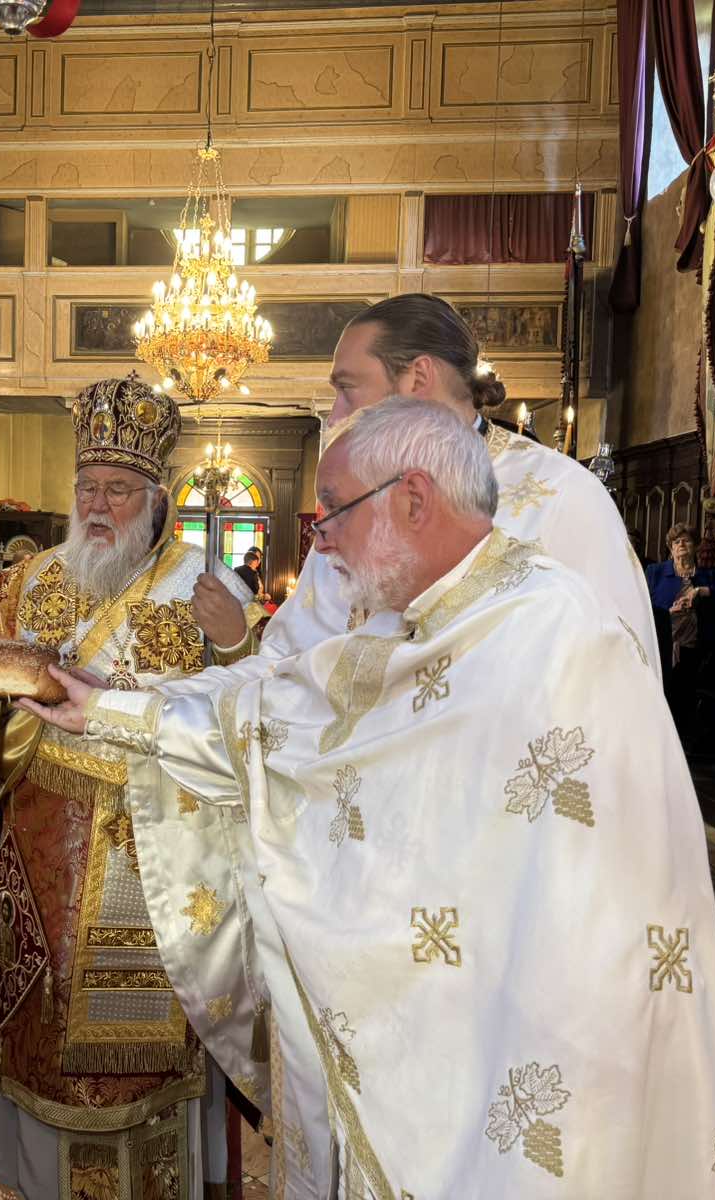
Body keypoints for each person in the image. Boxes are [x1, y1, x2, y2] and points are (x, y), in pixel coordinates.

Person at [23, 399, 715, 1197]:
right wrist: (108, 710)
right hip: (451, 1012)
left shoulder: (558, 633)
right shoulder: (414, 622)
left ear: (414, 500)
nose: (320, 541)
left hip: (544, 1033)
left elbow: (587, 905)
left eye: (334, 513)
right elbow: (275, 715)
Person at [175, 294, 662, 1195]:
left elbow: (613, 717)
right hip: (354, 893)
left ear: (420, 378)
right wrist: (161, 707)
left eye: (346, 387)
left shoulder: (560, 503)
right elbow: (292, 670)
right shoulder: (355, 495)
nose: (332, 410)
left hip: (498, 894)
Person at [0, 374, 265, 1200]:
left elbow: (259, 716)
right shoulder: (27, 580)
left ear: (157, 498)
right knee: (36, 1033)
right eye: (88, 485)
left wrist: (237, 644)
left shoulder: (209, 587)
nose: (97, 504)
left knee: (139, 1059)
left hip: (153, 855)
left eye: (119, 489)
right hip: (38, 851)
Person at [647, 523, 715, 745]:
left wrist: (700, 590)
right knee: (662, 696)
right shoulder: (656, 572)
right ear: (670, 548)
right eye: (676, 541)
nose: (681, 544)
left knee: (686, 698)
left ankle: (682, 744)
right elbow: (643, 604)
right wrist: (669, 611)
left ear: (696, 546)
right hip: (662, 644)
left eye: (686, 540)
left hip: (695, 647)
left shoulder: (708, 574)